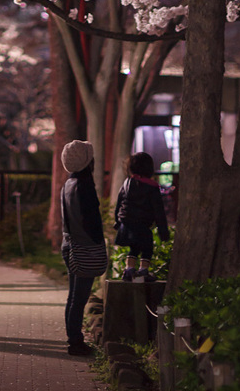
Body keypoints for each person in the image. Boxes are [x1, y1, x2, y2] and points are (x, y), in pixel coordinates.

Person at [60, 140, 107, 357]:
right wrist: (99, 240)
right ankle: (75, 343)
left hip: (70, 244)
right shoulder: (84, 186)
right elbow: (91, 220)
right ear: (88, 161)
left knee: (73, 297)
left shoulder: (68, 184)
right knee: (79, 298)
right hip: (84, 247)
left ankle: (74, 338)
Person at [114, 151, 170, 282]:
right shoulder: (152, 187)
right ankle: (143, 272)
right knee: (147, 247)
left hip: (127, 224)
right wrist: (163, 231)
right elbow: (158, 210)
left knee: (133, 248)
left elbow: (119, 204)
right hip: (143, 224)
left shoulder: (126, 184)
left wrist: (118, 222)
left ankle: (128, 271)